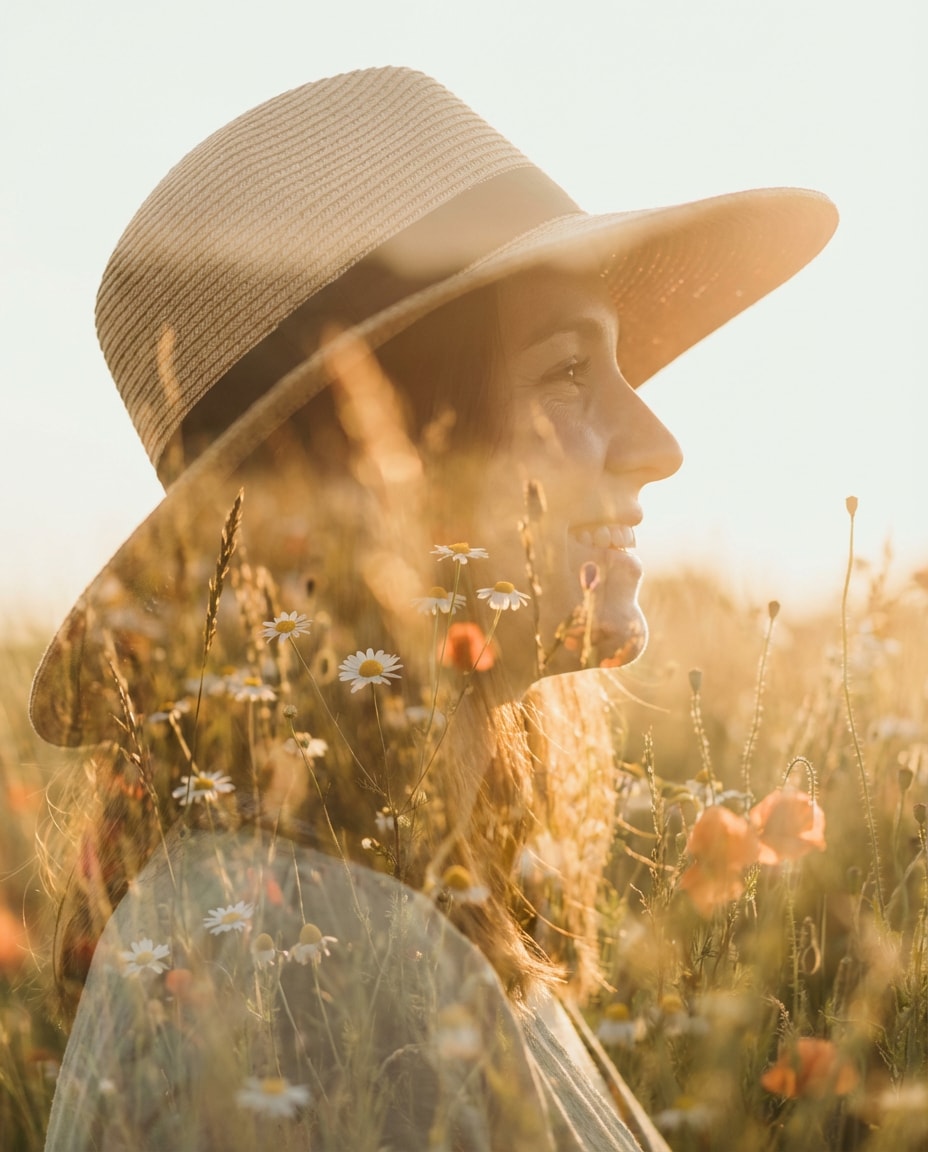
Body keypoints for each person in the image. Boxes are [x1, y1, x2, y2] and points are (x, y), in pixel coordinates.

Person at [32, 67, 837, 1150]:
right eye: (564, 373)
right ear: (369, 479)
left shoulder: (372, 918)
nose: (656, 442)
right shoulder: (316, 986)